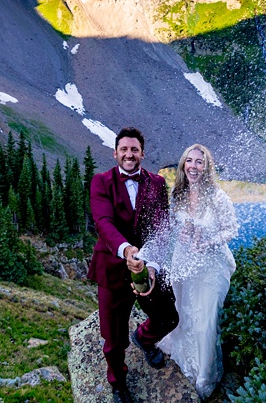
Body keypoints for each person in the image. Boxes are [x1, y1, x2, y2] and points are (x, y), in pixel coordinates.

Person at [88, 127, 179, 403]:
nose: (129, 154)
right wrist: (126, 250)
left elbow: (161, 227)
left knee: (169, 317)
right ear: (115, 153)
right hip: (114, 269)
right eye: (124, 150)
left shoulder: (157, 183)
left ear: (142, 153)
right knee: (113, 339)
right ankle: (118, 383)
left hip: (148, 267)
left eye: (134, 150)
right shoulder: (101, 182)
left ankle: (145, 338)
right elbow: (103, 223)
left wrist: (151, 264)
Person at [152, 144, 239, 399]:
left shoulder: (218, 197)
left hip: (210, 267)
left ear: (207, 167)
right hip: (184, 263)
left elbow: (231, 230)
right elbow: (171, 226)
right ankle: (183, 358)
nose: (193, 166)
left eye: (199, 162)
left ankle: (204, 376)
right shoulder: (178, 194)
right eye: (189, 161)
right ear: (183, 165)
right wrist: (181, 233)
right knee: (183, 312)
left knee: (205, 324)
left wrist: (208, 240)